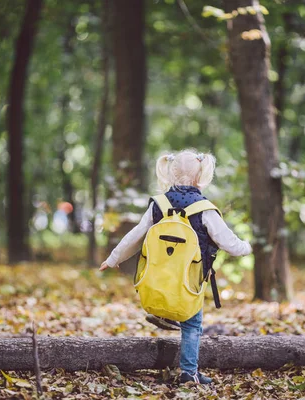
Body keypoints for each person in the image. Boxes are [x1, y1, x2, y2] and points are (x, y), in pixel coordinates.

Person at [100, 149, 252, 384]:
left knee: (166, 292)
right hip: (189, 280)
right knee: (192, 324)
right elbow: (228, 242)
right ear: (200, 176)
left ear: (170, 173)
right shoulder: (205, 209)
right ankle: (189, 373)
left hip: (157, 278)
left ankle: (162, 312)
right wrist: (247, 247)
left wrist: (113, 258)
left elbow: (135, 236)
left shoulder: (158, 205)